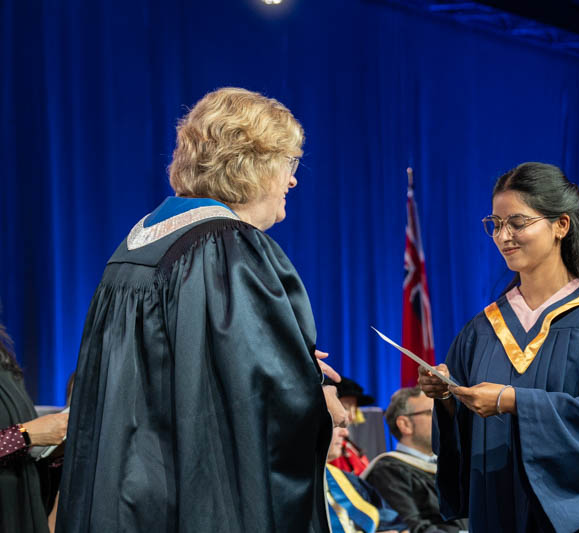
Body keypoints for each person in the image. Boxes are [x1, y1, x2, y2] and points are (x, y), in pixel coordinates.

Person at [56, 88, 341, 532]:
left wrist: (284, 357)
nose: (292, 181)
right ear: (253, 162)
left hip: (131, 495)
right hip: (196, 501)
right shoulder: (228, 247)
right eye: (289, 163)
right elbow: (253, 401)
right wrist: (312, 393)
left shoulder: (137, 245)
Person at [418, 162, 579, 532]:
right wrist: (447, 397)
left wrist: (513, 401)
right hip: (500, 509)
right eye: (495, 224)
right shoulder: (482, 329)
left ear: (562, 225)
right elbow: (461, 442)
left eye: (517, 222)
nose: (503, 236)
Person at [363, 386, 468, 533]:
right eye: (433, 412)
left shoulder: (450, 466)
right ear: (405, 424)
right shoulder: (387, 471)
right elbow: (411, 527)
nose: (444, 418)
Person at [1, 319, 69, 533]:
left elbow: (22, 450)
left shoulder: (4, 362)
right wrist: (26, 435)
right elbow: (25, 434)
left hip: (19, 509)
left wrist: (53, 449)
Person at [326, 427, 408, 533]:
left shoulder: (345, 480)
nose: (345, 432)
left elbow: (391, 520)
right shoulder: (305, 490)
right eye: (334, 425)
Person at [328, 376, 374, 475]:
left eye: (354, 409)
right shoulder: (331, 450)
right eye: (345, 408)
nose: (352, 416)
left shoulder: (350, 449)